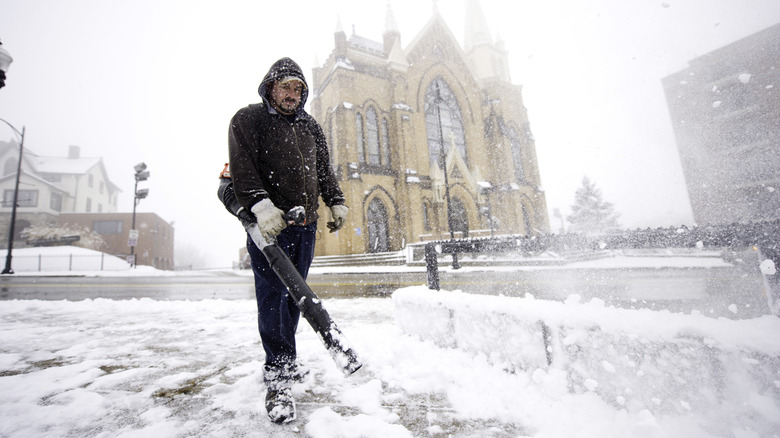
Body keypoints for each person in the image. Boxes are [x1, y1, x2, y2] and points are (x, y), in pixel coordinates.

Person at [227, 57, 348, 423]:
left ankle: (287, 360)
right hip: (271, 228)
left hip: (306, 225)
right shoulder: (249, 119)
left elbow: (323, 169)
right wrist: (261, 206)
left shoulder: (310, 125)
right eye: (286, 86)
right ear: (270, 87)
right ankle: (277, 375)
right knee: (272, 298)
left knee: (296, 298)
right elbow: (241, 167)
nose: (292, 94)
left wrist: (336, 200)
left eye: (298, 88)